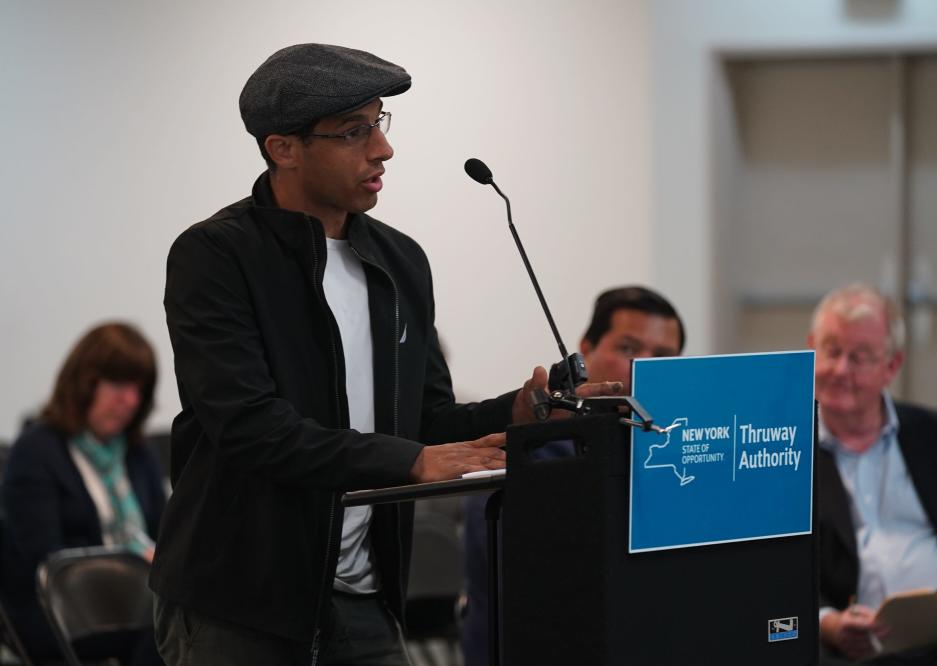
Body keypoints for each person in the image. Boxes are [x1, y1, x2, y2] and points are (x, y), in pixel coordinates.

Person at [149, 43, 619, 666]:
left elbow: (425, 422)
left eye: (379, 123)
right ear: (281, 148)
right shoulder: (216, 257)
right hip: (242, 599)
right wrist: (412, 458)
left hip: (365, 595)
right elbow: (249, 427)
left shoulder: (399, 262)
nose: (382, 149)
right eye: (353, 131)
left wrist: (522, 412)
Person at [460, 285, 685, 666]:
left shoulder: (675, 450)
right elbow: (524, 580)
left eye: (662, 356)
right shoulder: (529, 447)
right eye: (628, 349)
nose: (642, 367)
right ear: (587, 346)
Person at [810, 284, 937, 665]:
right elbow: (770, 572)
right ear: (811, 349)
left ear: (891, 366)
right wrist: (827, 623)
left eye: (860, 357)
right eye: (831, 351)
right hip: (845, 650)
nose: (842, 370)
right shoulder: (783, 451)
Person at [0, 322, 166, 664]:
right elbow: (46, 559)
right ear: (82, 382)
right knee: (168, 630)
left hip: (136, 606)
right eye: (119, 384)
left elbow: (167, 534)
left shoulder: (138, 454)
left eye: (140, 389)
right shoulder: (35, 451)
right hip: (65, 615)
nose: (131, 400)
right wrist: (134, 562)